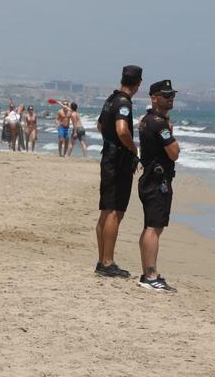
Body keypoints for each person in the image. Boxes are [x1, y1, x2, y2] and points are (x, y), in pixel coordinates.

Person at [94, 65, 142, 278]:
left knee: (106, 210)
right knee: (115, 211)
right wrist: (133, 148)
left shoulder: (110, 100)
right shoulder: (124, 102)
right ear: (138, 83)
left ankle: (102, 259)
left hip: (108, 157)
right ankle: (107, 261)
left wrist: (111, 140)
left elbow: (100, 125)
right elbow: (123, 130)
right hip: (118, 160)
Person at [137, 79, 180, 292]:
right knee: (154, 228)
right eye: (165, 95)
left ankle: (148, 273)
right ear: (154, 97)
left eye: (172, 94)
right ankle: (151, 275)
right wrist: (170, 134)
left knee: (149, 228)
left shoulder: (146, 120)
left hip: (149, 178)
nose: (170, 98)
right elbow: (174, 152)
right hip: (157, 181)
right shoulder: (159, 123)